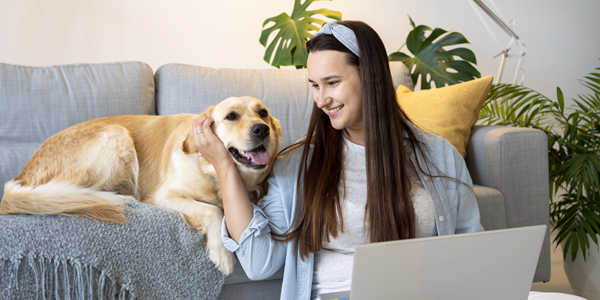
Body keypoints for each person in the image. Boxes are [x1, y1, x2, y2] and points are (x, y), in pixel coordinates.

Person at [193, 20, 484, 300]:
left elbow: (472, 252)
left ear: (371, 76)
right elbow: (258, 264)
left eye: (331, 82)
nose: (321, 100)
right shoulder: (297, 165)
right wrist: (224, 165)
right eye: (315, 86)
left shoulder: (440, 155)